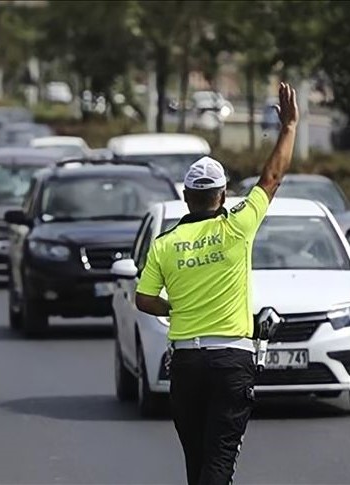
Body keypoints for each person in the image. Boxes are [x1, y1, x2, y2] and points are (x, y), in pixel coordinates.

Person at [135, 82, 299, 485]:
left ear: (187, 197)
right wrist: (289, 127)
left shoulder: (165, 244)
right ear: (223, 195)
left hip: (187, 364)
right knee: (219, 459)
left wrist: (175, 308)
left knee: (197, 460)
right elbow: (272, 176)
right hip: (231, 362)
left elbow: (143, 299)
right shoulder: (238, 226)